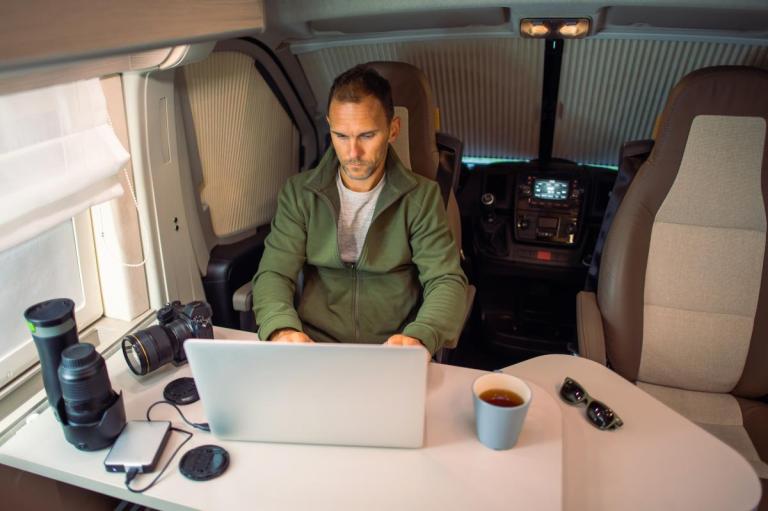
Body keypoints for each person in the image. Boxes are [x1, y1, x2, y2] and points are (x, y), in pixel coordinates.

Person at [251, 64, 467, 355]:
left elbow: (445, 280)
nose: (352, 153)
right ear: (329, 126)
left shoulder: (422, 198)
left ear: (393, 130)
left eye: (366, 136)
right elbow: (274, 273)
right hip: (315, 347)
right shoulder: (300, 193)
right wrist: (281, 328)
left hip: (393, 349)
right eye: (341, 136)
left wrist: (420, 336)